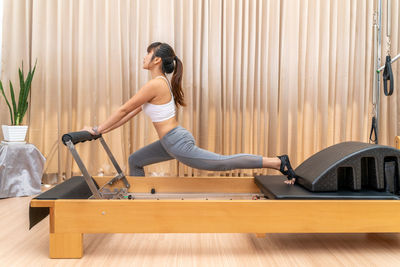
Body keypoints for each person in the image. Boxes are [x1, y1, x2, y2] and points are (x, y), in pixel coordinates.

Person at [82, 42, 297, 184]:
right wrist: (100, 131)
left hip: (176, 142)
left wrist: (96, 129)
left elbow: (123, 109)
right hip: (169, 142)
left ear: (157, 60)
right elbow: (129, 114)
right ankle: (138, 200)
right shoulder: (158, 84)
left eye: (147, 54)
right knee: (135, 160)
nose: (144, 57)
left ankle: (278, 162)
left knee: (221, 162)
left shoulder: (155, 84)